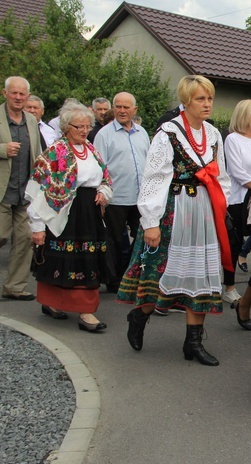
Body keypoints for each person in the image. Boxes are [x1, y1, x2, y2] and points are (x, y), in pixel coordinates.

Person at [118, 75, 231, 367]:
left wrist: (221, 205)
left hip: (203, 210)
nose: (207, 104)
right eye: (200, 99)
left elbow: (221, 175)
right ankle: (139, 316)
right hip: (172, 209)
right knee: (158, 272)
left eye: (209, 98)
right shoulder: (168, 133)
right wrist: (151, 221)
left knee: (202, 274)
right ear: (185, 101)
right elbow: (154, 178)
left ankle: (193, 342)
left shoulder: (214, 134)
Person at [26, 102, 113, 331]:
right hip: (63, 214)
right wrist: (36, 226)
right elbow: (38, 191)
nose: (84, 131)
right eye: (79, 127)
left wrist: (103, 193)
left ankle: (86, 311)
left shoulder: (92, 149)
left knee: (87, 260)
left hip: (89, 213)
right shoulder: (55, 152)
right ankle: (52, 303)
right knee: (59, 258)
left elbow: (105, 178)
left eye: (87, 126)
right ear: (66, 127)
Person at [94, 92, 150, 293]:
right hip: (116, 197)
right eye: (118, 106)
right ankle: (115, 280)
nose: (122, 110)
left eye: (126, 107)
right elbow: (99, 167)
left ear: (135, 110)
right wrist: (101, 195)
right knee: (116, 241)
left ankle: (136, 275)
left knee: (143, 237)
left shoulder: (142, 133)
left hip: (141, 197)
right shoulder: (104, 134)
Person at [224, 99, 251, 330]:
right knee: (233, 243)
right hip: (238, 197)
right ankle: (229, 287)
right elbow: (234, 167)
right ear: (243, 115)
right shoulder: (233, 139)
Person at [1, 76, 42, 301]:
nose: (18, 97)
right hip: (2, 191)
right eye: (14, 93)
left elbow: (36, 152)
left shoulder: (30, 120)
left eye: (22, 94)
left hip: (25, 192)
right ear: (5, 93)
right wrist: (2, 149)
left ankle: (14, 286)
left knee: (26, 238)